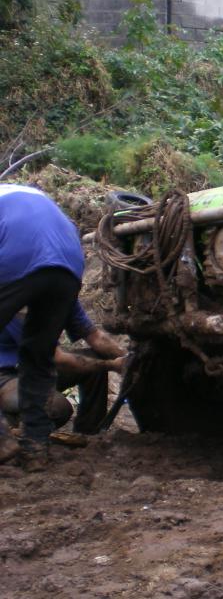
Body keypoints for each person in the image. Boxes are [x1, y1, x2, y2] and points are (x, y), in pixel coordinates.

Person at [0, 184, 92, 470]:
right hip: (69, 262)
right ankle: (35, 450)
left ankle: (2, 441)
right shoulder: (28, 197)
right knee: (38, 358)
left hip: (16, 257)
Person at [0, 307, 126, 437]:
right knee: (57, 408)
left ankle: (89, 436)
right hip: (6, 373)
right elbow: (56, 358)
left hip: (37, 367)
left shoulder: (64, 295)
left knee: (95, 360)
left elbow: (95, 337)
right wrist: (112, 365)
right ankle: (10, 428)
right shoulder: (19, 301)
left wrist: (128, 358)